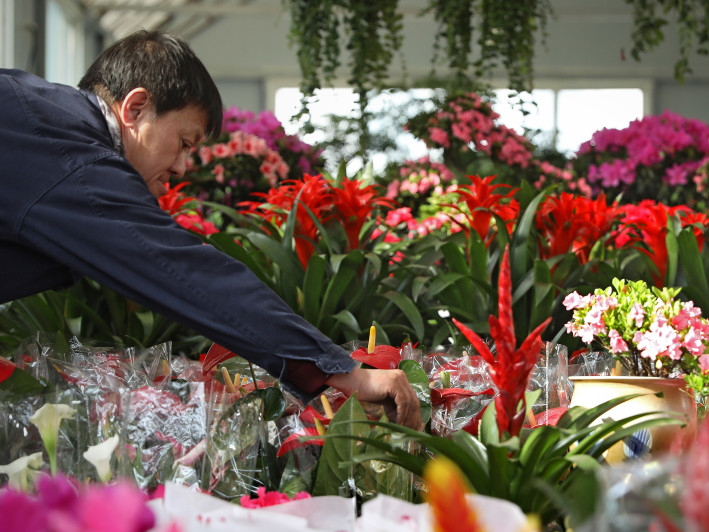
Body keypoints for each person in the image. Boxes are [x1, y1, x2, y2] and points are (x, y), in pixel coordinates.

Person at [0, 30, 420, 428]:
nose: (183, 167)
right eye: (184, 142)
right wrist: (343, 371)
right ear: (135, 108)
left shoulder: (41, 116)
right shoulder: (72, 153)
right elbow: (178, 267)